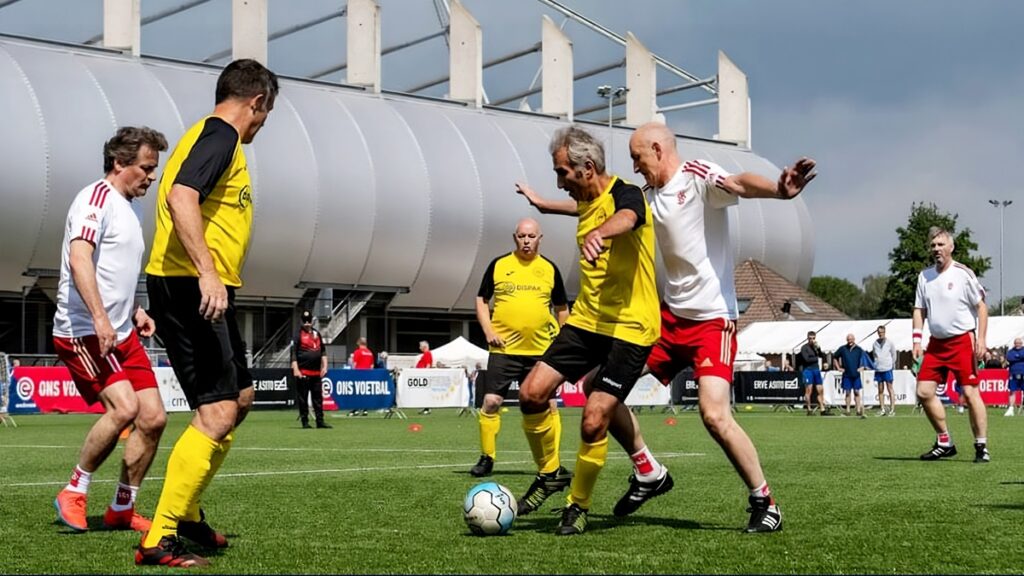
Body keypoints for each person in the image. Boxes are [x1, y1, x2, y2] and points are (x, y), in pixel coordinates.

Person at [626, 122, 814, 533]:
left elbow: (739, 183)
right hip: (666, 321)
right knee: (601, 389)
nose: (635, 167)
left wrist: (780, 191)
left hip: (711, 321)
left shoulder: (695, 175)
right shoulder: (648, 195)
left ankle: (765, 502)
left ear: (657, 149)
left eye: (638, 158)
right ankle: (647, 471)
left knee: (714, 416)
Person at [138, 59, 278, 567]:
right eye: (267, 113)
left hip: (200, 286)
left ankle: (189, 512)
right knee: (217, 412)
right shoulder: (221, 135)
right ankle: (161, 535)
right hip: (187, 286)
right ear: (257, 102)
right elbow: (181, 196)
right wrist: (207, 272)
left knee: (238, 398)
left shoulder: (210, 135)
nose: (263, 123)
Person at [513, 125, 666, 536]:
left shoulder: (626, 193)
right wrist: (540, 204)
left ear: (586, 168)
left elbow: (628, 216)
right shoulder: (583, 201)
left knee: (593, 418)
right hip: (588, 320)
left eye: (562, 172)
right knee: (530, 393)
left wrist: (601, 232)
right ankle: (550, 474)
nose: (559, 180)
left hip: (631, 327)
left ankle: (577, 505)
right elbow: (573, 209)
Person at [50, 127, 169, 534]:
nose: (151, 177)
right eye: (146, 168)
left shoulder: (132, 207)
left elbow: (114, 268)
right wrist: (100, 317)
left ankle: (123, 506)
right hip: (82, 329)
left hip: (121, 331)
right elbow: (80, 258)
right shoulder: (94, 199)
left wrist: (134, 309)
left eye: (154, 169)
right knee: (124, 408)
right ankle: (74, 491)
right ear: (120, 163)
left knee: (153, 418)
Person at [469, 218, 569, 478]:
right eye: (522, 236)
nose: (527, 241)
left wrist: (563, 339)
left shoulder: (549, 269)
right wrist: (489, 331)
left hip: (541, 352)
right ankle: (487, 458)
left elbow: (561, 309)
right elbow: (481, 299)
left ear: (540, 238)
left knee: (550, 405)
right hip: (504, 350)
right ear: (515, 237)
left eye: (531, 236)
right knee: (491, 402)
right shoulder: (499, 265)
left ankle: (553, 462)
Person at [913, 227, 990, 463]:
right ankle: (944, 441)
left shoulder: (962, 274)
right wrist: (917, 339)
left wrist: (981, 339)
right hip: (936, 344)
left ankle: (981, 446)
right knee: (923, 392)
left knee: (969, 392)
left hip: (961, 341)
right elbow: (919, 309)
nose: (936, 249)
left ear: (951, 247)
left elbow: (981, 307)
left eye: (940, 245)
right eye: (933, 245)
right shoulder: (924, 276)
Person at [291, 310, 330, 428]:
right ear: (301, 321)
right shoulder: (298, 335)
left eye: (308, 321)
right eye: (304, 321)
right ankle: (305, 421)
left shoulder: (316, 334)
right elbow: (293, 353)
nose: (307, 323)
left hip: (316, 373)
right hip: (303, 372)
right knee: (303, 398)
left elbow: (323, 351)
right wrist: (296, 369)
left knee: (318, 398)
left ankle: (320, 421)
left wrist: (325, 366)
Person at [833, 334, 868, 418]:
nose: (850, 341)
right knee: (847, 392)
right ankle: (848, 410)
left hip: (856, 375)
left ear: (854, 339)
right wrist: (838, 367)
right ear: (846, 340)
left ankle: (858, 410)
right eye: (848, 339)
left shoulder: (859, 349)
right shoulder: (842, 349)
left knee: (856, 392)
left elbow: (865, 359)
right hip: (847, 374)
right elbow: (835, 357)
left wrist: (862, 367)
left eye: (851, 339)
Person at [796, 331, 829, 416]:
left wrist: (818, 349)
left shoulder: (816, 347)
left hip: (816, 370)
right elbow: (806, 359)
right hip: (808, 370)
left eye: (813, 338)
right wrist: (816, 358)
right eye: (810, 338)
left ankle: (822, 409)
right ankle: (809, 409)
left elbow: (822, 355)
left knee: (820, 390)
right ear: (808, 338)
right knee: (809, 390)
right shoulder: (804, 348)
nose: (812, 340)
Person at [871, 326, 898, 416]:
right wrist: (876, 363)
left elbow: (894, 354)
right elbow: (874, 354)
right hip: (879, 369)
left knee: (890, 388)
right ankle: (882, 408)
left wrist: (891, 364)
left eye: (882, 332)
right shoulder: (875, 343)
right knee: (880, 390)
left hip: (887, 368)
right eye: (879, 332)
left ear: (885, 332)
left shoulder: (889, 343)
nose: (880, 334)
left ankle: (892, 409)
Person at [1006, 338, 1024, 416]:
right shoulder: (1011, 351)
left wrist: (1017, 357)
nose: (1018, 344)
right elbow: (1009, 357)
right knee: (1012, 391)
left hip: (1023, 373)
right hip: (1013, 374)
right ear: (1014, 343)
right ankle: (1011, 409)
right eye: (1016, 343)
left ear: (1022, 343)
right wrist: (1020, 357)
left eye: (1019, 343)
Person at [416, 341, 434, 414]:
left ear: (424, 346)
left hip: (424, 376)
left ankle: (427, 408)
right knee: (423, 392)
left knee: (425, 392)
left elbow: (428, 365)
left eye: (420, 346)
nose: (419, 347)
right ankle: (425, 408)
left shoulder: (427, 353)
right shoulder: (426, 354)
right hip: (422, 375)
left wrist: (425, 374)